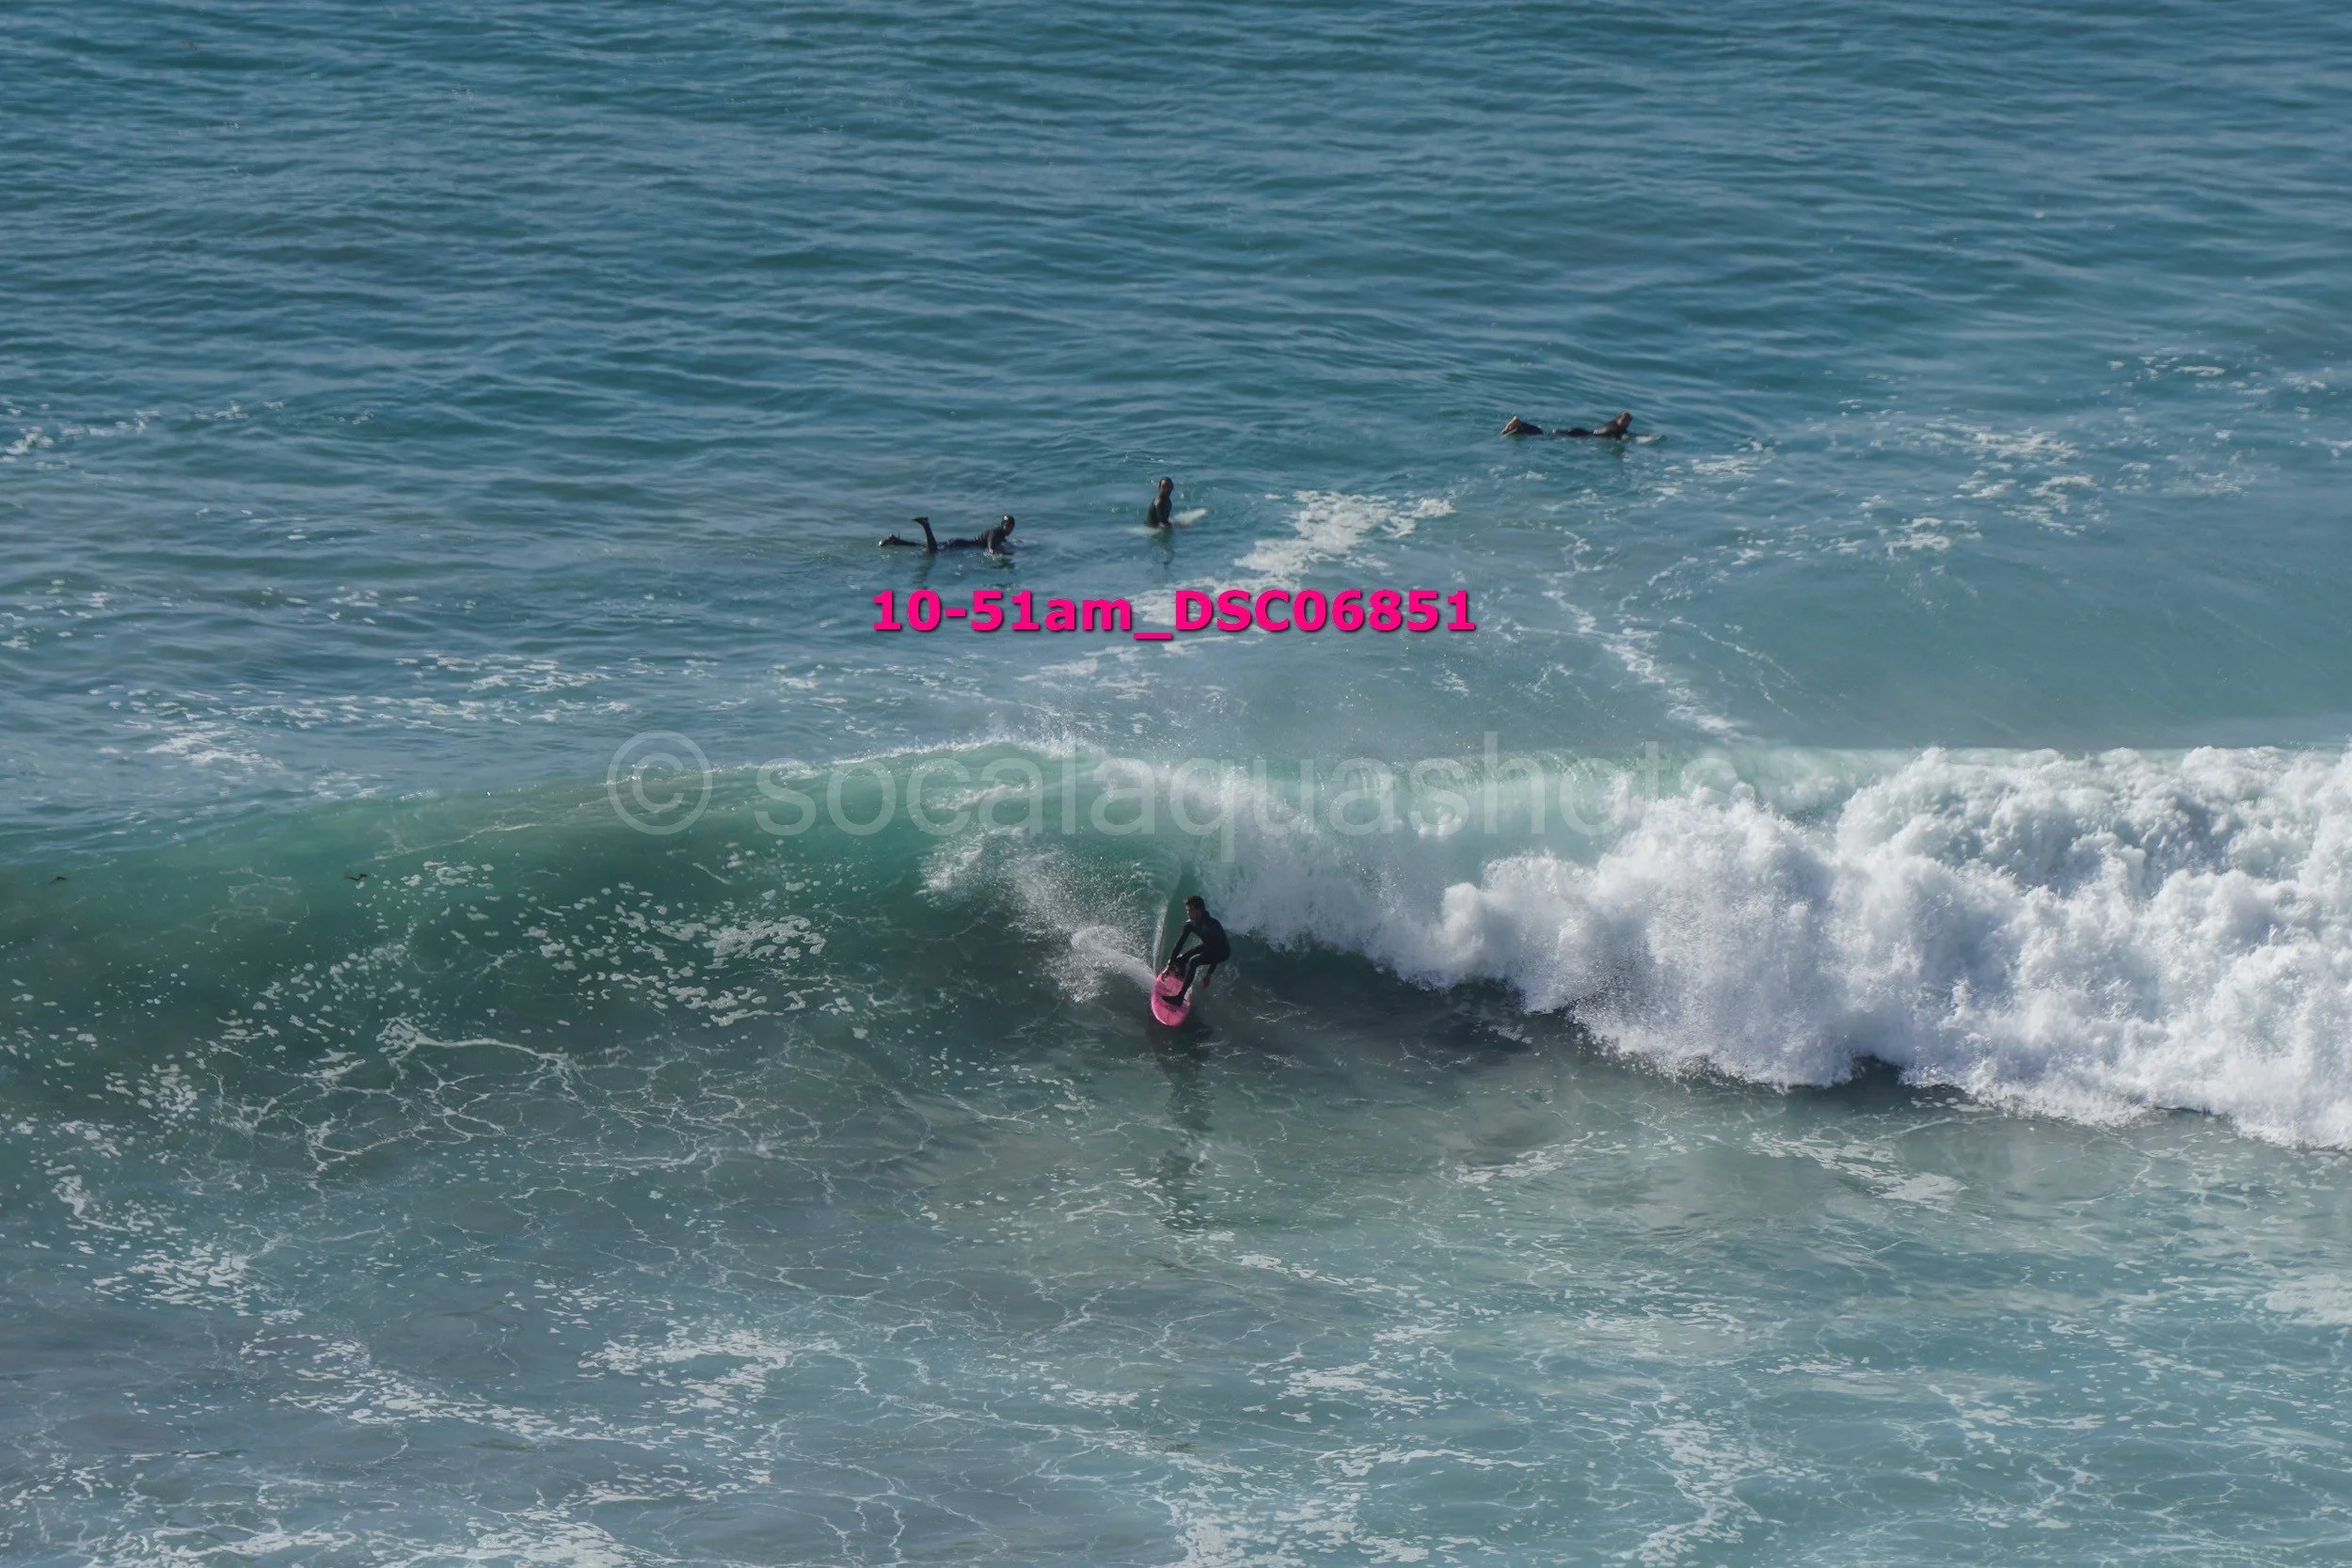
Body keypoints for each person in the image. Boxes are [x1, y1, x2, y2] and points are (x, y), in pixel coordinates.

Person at [1162, 895, 1230, 1005]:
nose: (1187, 913)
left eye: (1189, 910)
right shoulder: (1190, 924)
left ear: (1198, 910)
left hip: (1222, 952)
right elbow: (1179, 944)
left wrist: (1209, 974)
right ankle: (1183, 972)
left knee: (1193, 961)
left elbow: (1217, 951)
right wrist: (1169, 965)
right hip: (1208, 945)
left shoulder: (1213, 926)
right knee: (1180, 960)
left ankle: (1179, 998)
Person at [879, 515, 1017, 553]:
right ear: (1001, 525)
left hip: (960, 544)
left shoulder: (1001, 535)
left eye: (1010, 526)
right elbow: (991, 549)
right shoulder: (995, 532)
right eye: (1006, 526)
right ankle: (926, 525)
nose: (1008, 529)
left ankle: (895, 541)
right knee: (931, 551)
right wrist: (1007, 555)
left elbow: (998, 545)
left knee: (923, 547)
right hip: (960, 545)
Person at [1501, 411, 1633, 439]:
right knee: (1547, 436)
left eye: (1627, 421)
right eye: (1624, 420)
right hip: (1581, 434)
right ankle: (1521, 425)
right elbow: (1624, 437)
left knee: (1547, 435)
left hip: (1581, 432)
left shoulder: (1612, 424)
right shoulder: (1617, 429)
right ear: (1618, 419)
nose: (1625, 423)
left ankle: (1520, 428)